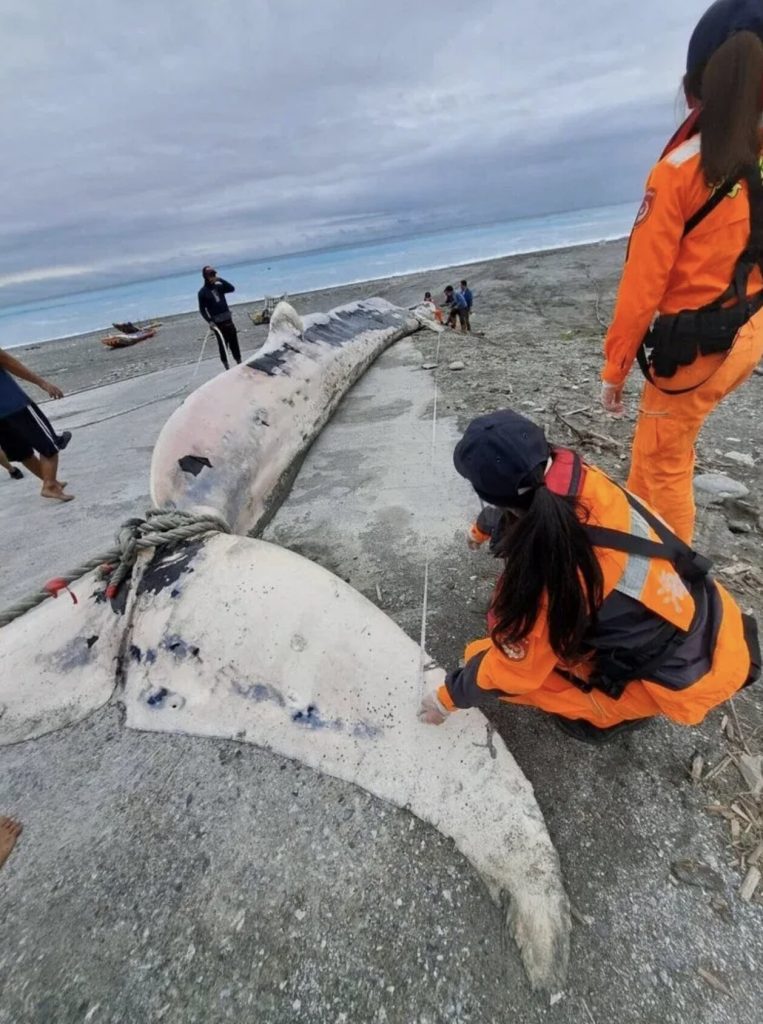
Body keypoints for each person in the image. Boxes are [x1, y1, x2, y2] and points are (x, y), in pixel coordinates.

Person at [418, 410, 760, 743]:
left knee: (487, 660)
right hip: (705, 615)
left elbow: (516, 671)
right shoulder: (577, 478)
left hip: (684, 674)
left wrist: (448, 698)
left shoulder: (553, 570)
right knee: (496, 654)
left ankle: (610, 716)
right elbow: (517, 504)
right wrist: (479, 530)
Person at [601, 0, 763, 543]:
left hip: (694, 350)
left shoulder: (678, 170)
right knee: (655, 450)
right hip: (749, 331)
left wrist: (616, 369)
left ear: (696, 85)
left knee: (666, 462)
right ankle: (639, 546)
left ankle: (674, 594)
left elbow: (642, 284)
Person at [0, 348, 72, 502]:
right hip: (13, 405)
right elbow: (9, 362)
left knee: (21, 452)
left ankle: (52, 482)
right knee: (50, 445)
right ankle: (50, 485)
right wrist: (43, 383)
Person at [198, 266, 242, 369]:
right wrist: (209, 321)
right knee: (223, 346)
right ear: (205, 277)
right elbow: (202, 309)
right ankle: (227, 367)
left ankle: (239, 362)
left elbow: (232, 289)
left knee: (234, 343)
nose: (213, 277)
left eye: (214, 274)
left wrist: (220, 280)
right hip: (218, 323)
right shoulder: (202, 292)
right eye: (210, 275)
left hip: (228, 320)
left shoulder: (219, 287)